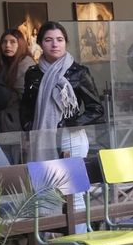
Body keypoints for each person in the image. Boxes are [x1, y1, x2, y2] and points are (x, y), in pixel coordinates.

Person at [20, 21, 105, 161]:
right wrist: (29, 127)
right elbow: (26, 106)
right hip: (41, 136)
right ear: (40, 43)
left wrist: (72, 125)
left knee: (72, 181)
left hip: (70, 138)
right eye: (48, 40)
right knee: (46, 180)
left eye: (60, 40)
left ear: (65, 42)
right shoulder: (33, 73)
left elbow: (96, 109)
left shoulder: (79, 72)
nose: (55, 44)